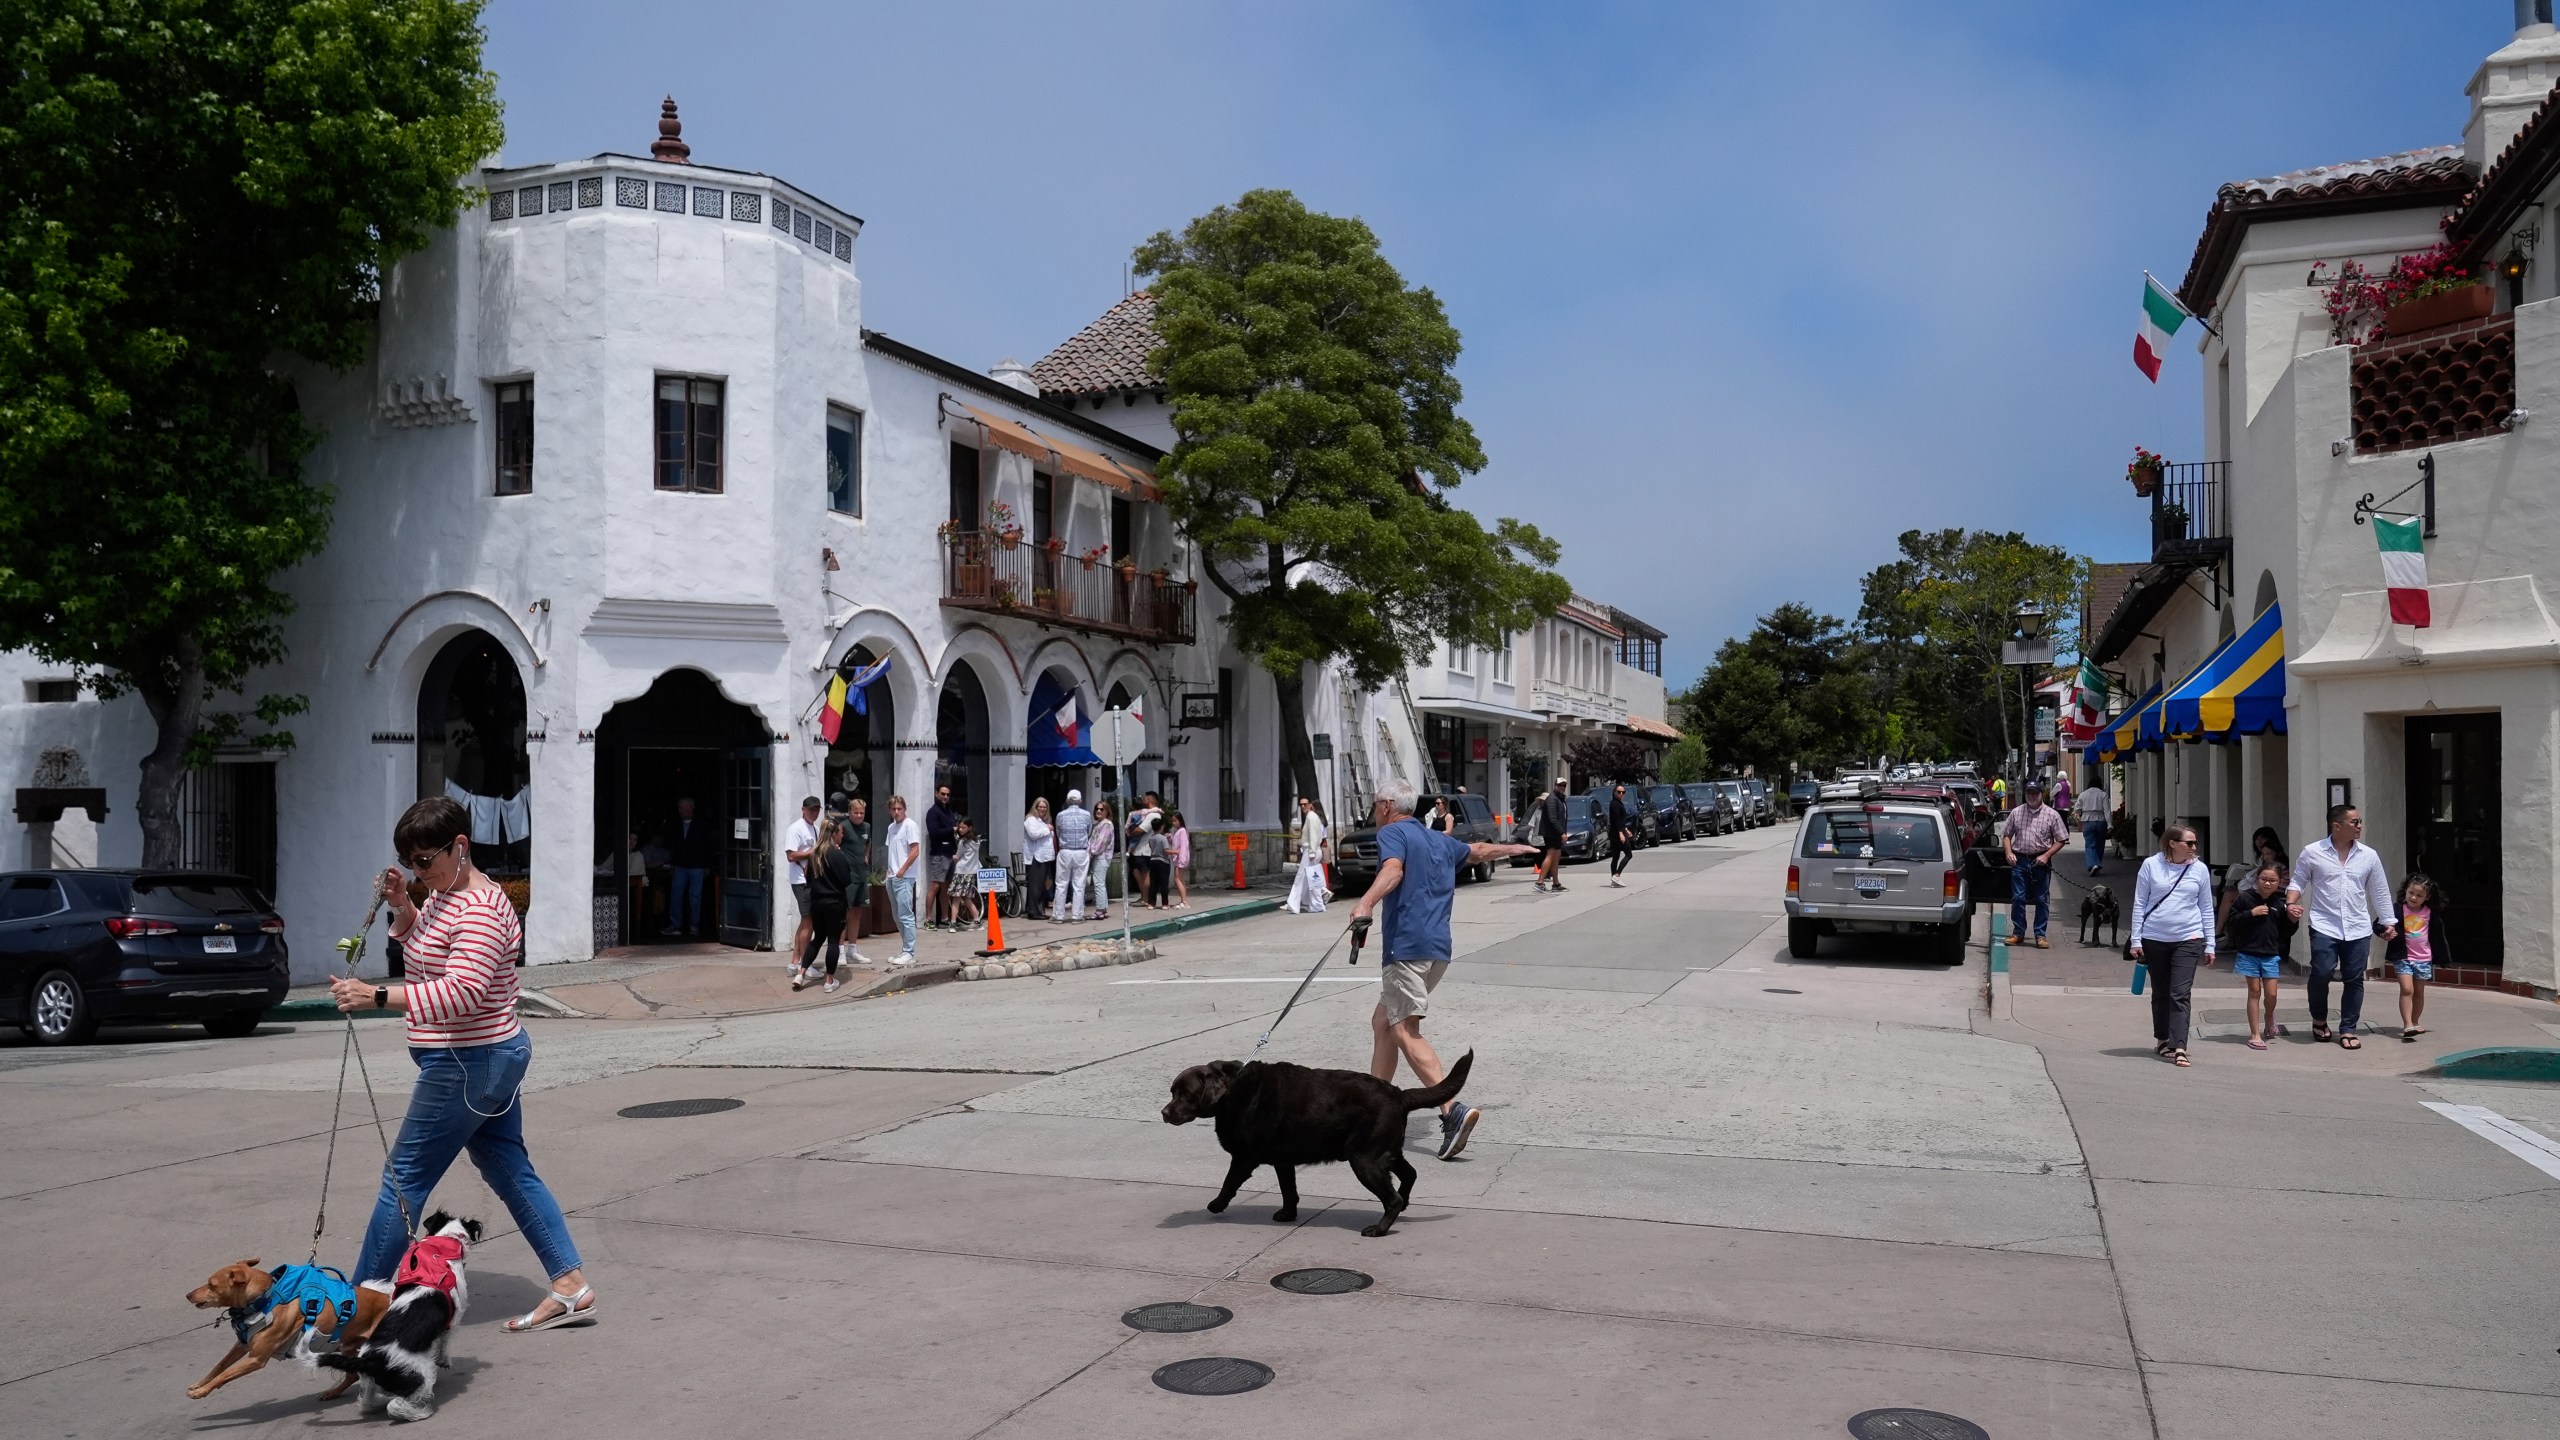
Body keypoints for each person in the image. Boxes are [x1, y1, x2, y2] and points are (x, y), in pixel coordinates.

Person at [328, 796, 596, 1334]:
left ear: (460, 846)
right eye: (410, 864)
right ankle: (571, 1285)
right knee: (506, 1167)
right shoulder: (444, 895)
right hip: (481, 1059)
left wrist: (378, 996)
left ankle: (358, 1313)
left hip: (468, 1061)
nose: (419, 871)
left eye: (426, 860)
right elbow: (424, 948)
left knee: (402, 1181)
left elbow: (464, 991)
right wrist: (404, 906)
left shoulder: (478, 908)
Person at [1348, 781, 1538, 1160]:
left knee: (1405, 1029)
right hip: (1438, 952)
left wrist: (1366, 902)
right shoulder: (1437, 839)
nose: (1374, 812)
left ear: (1387, 806)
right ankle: (1374, 1114)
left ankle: (1452, 1110)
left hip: (1407, 948)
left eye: (1375, 805)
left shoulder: (1394, 833)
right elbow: (1478, 851)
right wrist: (1513, 848)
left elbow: (1393, 870)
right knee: (1384, 1023)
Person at [2286, 804, 2395, 1049]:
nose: (2359, 826)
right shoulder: (2312, 852)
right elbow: (2298, 881)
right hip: (2325, 924)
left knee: (2355, 979)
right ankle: (2319, 1019)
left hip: (2358, 927)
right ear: (2337, 826)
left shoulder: (2369, 855)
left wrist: (2388, 921)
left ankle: (2348, 1029)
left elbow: (2379, 891)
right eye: (2354, 822)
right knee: (2321, 972)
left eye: (2360, 821)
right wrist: (2291, 903)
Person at [2129, 823, 2215, 1068]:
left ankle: (2180, 1046)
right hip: (2154, 937)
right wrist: (2136, 939)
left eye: (2195, 843)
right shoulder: (2151, 865)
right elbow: (2139, 903)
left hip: (2189, 937)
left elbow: (2206, 908)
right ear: (2172, 843)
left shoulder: (2199, 869)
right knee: (2161, 991)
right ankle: (2162, 1039)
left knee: (2180, 993)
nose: (2194, 847)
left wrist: (2209, 944)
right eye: (2189, 843)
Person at [2226, 858, 2295, 1051]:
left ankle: (2269, 1016)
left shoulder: (2279, 903)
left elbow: (2286, 932)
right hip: (2248, 952)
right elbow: (2231, 922)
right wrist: (2251, 913)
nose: (2267, 883)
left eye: (2272, 880)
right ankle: (2255, 1034)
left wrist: (2293, 919)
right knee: (2254, 991)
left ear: (2279, 883)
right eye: (2264, 878)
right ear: (2257, 879)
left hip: (2270, 954)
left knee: (2271, 994)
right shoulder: (2245, 898)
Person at [795, 819, 860, 993]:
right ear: (833, 834)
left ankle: (801, 973)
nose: (842, 835)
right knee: (833, 941)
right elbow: (846, 880)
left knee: (817, 939)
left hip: (817, 902)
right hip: (834, 903)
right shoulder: (836, 854)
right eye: (840, 832)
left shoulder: (814, 854)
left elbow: (807, 878)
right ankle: (829, 980)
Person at [2003, 779, 2069, 947]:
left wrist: (2046, 856)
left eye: (2035, 793)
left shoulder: (2052, 814)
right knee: (2018, 898)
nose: (2031, 796)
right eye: (2028, 793)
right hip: (2020, 860)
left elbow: (2061, 839)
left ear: (2041, 795)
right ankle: (2018, 933)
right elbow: (2006, 835)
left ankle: (2040, 935)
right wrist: (2009, 852)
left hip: (2041, 862)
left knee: (2041, 899)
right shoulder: (2017, 812)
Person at [2389, 872, 2439, 1042]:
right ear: (2406, 891)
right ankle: (2407, 1024)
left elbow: (2438, 935)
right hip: (2403, 956)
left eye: (2419, 895)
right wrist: (2385, 931)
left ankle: (2416, 1022)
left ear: (2427, 897)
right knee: (2407, 989)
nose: (2414, 897)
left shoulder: (2430, 913)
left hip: (2423, 958)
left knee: (2418, 992)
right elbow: (2380, 923)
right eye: (2411, 893)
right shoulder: (2397, 909)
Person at [665, 796, 714, 938]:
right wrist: (672, 865)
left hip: (697, 866)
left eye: (684, 807)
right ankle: (676, 925)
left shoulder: (702, 824)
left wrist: (707, 866)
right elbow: (674, 846)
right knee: (676, 895)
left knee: (695, 897)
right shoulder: (676, 824)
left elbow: (708, 846)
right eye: (680, 808)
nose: (681, 810)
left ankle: (694, 926)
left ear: (692, 808)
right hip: (680, 865)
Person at [882, 794, 922, 965]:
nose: (897, 812)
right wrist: (889, 872)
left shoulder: (910, 826)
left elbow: (915, 850)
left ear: (904, 809)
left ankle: (910, 952)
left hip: (904, 877)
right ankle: (904, 949)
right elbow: (891, 850)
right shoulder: (892, 827)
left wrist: (902, 871)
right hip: (892, 876)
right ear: (890, 811)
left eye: (899, 808)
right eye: (894, 809)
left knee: (906, 915)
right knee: (897, 915)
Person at [784, 796, 823, 973]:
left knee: (806, 920)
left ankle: (795, 961)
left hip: (810, 879)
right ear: (803, 809)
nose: (813, 812)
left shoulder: (814, 829)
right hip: (801, 880)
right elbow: (791, 855)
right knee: (809, 921)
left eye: (816, 810)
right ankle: (804, 965)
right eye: (811, 809)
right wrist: (812, 852)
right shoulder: (796, 829)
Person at [1284, 795, 1330, 913]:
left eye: (1305, 804)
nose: (1303, 806)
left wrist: (1311, 852)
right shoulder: (1312, 817)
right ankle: (1316, 904)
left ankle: (1293, 903)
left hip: (1311, 851)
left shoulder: (1311, 817)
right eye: (1301, 805)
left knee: (1301, 877)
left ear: (1310, 805)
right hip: (1312, 850)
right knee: (1311, 879)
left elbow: (1314, 835)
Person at [1051, 789, 1092, 921]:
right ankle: (1077, 915)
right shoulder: (1086, 815)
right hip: (1081, 851)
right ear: (1080, 800)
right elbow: (1089, 831)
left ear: (1068, 800)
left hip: (1065, 851)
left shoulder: (1060, 815)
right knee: (1079, 885)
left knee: (1061, 884)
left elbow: (1058, 832)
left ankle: (1058, 915)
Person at [924, 785, 958, 929]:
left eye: (947, 794)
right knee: (935, 885)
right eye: (943, 794)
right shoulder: (933, 812)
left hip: (950, 852)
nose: (945, 797)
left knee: (946, 886)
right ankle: (928, 919)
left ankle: (944, 917)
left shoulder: (949, 812)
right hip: (939, 853)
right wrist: (952, 830)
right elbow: (934, 833)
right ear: (936, 794)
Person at [1022, 797, 1056, 923]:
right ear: (1035, 807)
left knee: (1043, 886)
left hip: (1045, 857)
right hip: (1036, 857)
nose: (1042, 809)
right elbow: (1034, 834)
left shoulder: (1042, 821)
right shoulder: (1030, 820)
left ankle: (1039, 910)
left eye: (1044, 807)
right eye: (1040, 806)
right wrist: (1048, 829)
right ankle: (1033, 911)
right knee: (1035, 886)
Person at [1534, 778, 1569, 893]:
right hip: (1551, 832)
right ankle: (1540, 882)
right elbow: (1552, 819)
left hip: (1556, 833)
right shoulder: (1552, 799)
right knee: (1550, 855)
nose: (1562, 787)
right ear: (1555, 786)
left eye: (1564, 785)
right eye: (1560, 785)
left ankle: (1556, 884)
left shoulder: (1560, 798)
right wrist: (1562, 833)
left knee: (1556, 856)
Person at [1085, 799, 1118, 919]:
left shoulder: (1106, 824)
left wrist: (1091, 853)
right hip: (1098, 857)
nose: (1098, 811)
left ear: (1106, 811)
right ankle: (1103, 908)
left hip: (1101, 857)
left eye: (1101, 809)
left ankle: (1099, 909)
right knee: (1100, 882)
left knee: (1098, 883)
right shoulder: (1098, 824)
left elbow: (1101, 842)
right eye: (1097, 809)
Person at [948, 818, 984, 928]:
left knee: (956, 898)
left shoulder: (963, 842)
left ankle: (953, 922)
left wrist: (954, 857)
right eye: (959, 827)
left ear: (969, 827)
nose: (960, 829)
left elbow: (958, 856)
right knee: (966, 898)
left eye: (963, 827)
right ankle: (977, 920)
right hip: (971, 872)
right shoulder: (976, 841)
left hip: (961, 872)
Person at [2075, 774, 2112, 875]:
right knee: (2100, 844)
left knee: (2090, 844)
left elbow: (2077, 808)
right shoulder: (2103, 794)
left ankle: (2093, 864)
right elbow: (2107, 810)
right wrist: (2109, 824)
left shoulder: (2083, 794)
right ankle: (2097, 864)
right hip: (2101, 821)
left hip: (2087, 820)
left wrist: (2082, 812)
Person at [1606, 783, 1635, 888]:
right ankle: (1617, 875)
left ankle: (1614, 879)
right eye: (1619, 792)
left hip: (1617, 832)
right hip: (1617, 833)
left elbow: (1620, 821)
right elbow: (1616, 820)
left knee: (1616, 856)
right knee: (1629, 854)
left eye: (1623, 792)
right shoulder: (1614, 804)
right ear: (1614, 792)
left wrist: (1626, 830)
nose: (1621, 794)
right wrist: (1621, 833)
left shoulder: (1617, 803)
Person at [1167, 810, 1192, 908]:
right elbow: (1176, 843)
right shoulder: (1179, 831)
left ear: (1180, 820)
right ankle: (1183, 900)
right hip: (1178, 858)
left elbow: (1184, 846)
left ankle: (1184, 901)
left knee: (1177, 879)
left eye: (1175, 821)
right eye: (1172, 821)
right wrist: (1170, 838)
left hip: (1180, 859)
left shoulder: (1182, 831)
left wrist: (1182, 860)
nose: (1174, 823)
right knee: (1180, 879)